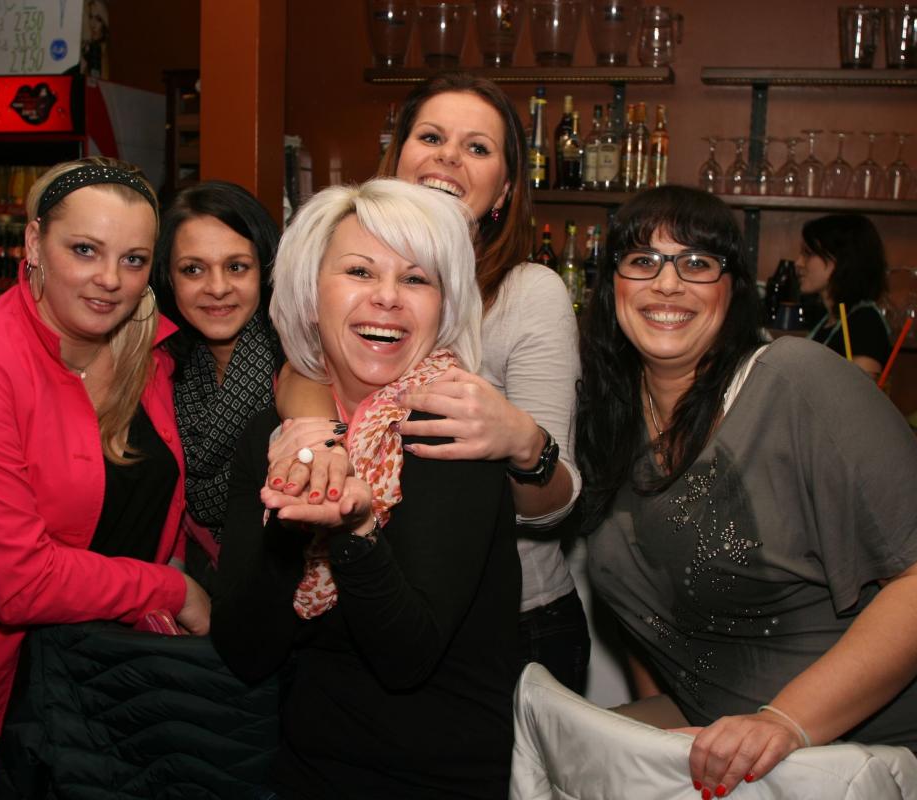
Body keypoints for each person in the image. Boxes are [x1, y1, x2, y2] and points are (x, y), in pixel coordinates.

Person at [574, 186, 917, 800]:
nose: (668, 284)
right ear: (611, 285)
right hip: (761, 770)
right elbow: (648, 611)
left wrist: (783, 722)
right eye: (643, 260)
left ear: (732, 288)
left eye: (697, 262)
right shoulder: (607, 418)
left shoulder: (797, 378)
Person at [0, 157, 210, 798]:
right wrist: (171, 589)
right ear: (32, 243)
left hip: (92, 675)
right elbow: (17, 583)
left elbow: (157, 493)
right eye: (85, 250)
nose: (110, 279)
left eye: (134, 260)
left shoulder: (148, 353)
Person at [277, 72, 589, 692]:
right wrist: (317, 437)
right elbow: (301, 365)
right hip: (363, 597)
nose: (449, 156)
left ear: (504, 188)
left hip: (510, 621)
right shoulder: (351, 265)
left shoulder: (528, 293)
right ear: (395, 159)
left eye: (477, 147)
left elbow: (556, 505)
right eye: (431, 137)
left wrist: (523, 443)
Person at [211, 179, 520, 799]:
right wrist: (289, 524)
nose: (387, 297)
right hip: (305, 770)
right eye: (359, 271)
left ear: (444, 308)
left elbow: (407, 659)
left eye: (416, 279)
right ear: (309, 297)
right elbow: (245, 649)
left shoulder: (453, 433)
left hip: (439, 781)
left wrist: (354, 531)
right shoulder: (277, 438)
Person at [152, 180, 334, 588]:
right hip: (198, 584)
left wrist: (319, 439)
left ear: (266, 270)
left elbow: (305, 391)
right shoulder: (161, 368)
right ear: (168, 277)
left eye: (236, 267)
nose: (217, 288)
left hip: (295, 589)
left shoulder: (298, 357)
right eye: (193, 269)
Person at [796, 214, 891, 380]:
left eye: (808, 254)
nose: (798, 263)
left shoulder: (865, 322)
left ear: (841, 259)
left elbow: (861, 389)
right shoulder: (827, 319)